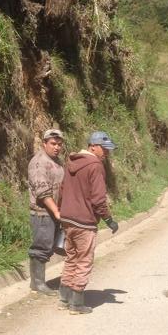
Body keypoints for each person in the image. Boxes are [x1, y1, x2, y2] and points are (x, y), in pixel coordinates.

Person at [58, 130, 119, 315]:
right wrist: (109, 220)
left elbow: (61, 190)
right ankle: (76, 304)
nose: (106, 153)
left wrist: (63, 211)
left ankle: (64, 299)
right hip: (84, 221)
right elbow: (98, 199)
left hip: (67, 219)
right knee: (84, 261)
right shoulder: (95, 166)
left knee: (71, 258)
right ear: (93, 146)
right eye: (104, 149)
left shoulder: (71, 162)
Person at [27, 128, 65, 295]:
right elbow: (42, 192)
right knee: (41, 248)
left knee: (49, 247)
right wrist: (56, 211)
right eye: (52, 144)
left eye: (59, 144)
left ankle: (39, 282)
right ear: (44, 143)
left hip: (55, 211)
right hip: (43, 213)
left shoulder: (57, 161)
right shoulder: (38, 162)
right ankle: (37, 283)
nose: (56, 147)